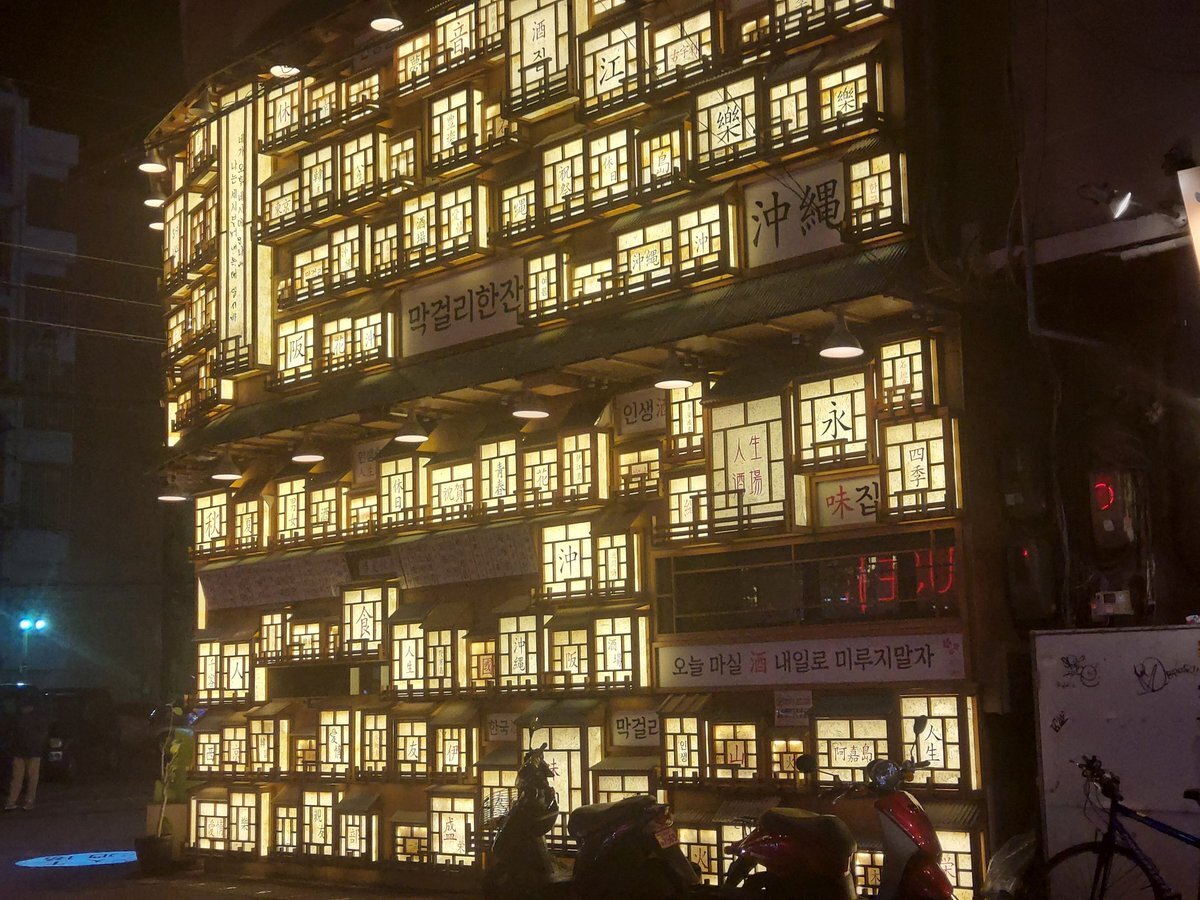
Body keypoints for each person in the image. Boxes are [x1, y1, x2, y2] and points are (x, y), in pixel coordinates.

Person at [5, 694, 49, 811]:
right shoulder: (39, 718)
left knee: (17, 779)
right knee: (32, 779)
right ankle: (29, 802)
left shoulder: (16, 719)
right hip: (33, 752)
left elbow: (12, 735)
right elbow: (44, 733)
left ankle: (11, 802)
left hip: (19, 752)